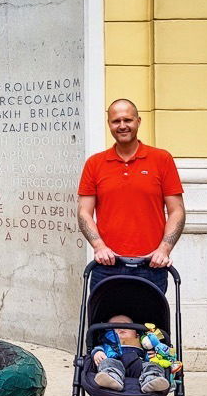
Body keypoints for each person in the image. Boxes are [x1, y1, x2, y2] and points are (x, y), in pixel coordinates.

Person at [77, 98, 186, 292]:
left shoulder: (162, 159)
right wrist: (98, 246)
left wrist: (164, 249)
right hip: (107, 266)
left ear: (138, 121)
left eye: (127, 120)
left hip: (151, 265)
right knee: (108, 322)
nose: (122, 126)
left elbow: (176, 210)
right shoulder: (95, 163)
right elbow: (84, 212)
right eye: (116, 121)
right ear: (109, 124)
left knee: (148, 322)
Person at [92, 314, 170, 394]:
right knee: (107, 363)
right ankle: (111, 377)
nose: (121, 327)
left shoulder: (143, 342)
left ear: (136, 332)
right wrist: (97, 353)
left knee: (153, 365)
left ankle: (152, 380)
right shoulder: (108, 343)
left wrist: (152, 355)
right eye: (115, 326)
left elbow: (149, 354)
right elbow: (98, 348)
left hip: (140, 364)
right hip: (116, 363)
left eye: (126, 325)